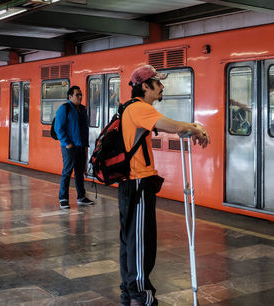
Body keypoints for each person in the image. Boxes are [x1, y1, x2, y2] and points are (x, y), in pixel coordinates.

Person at [118, 65, 210, 306]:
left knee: (131, 241)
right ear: (145, 86)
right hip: (137, 183)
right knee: (140, 242)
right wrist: (196, 129)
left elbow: (168, 124)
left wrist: (193, 127)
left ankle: (130, 293)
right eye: (157, 83)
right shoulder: (139, 108)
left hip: (133, 184)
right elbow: (176, 127)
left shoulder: (134, 110)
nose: (162, 87)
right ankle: (141, 296)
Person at [54, 85, 93, 209]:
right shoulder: (64, 109)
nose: (80, 97)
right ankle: (63, 198)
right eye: (77, 95)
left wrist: (86, 145)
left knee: (79, 173)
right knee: (67, 172)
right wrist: (67, 143)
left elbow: (85, 130)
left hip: (81, 146)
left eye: (81, 94)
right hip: (69, 147)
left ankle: (81, 197)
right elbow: (58, 128)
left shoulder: (82, 109)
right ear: (70, 96)